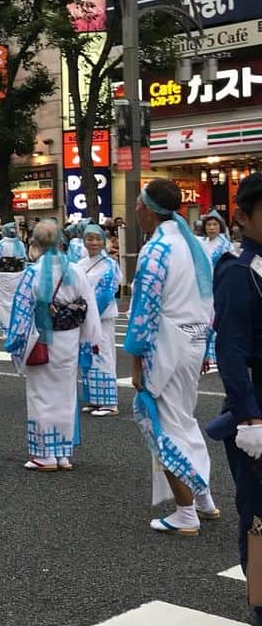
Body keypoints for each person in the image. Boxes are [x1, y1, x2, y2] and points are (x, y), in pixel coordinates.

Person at [125, 179, 219, 535]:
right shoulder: (194, 245)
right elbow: (209, 303)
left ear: (148, 208)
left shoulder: (156, 250)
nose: (135, 209)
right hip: (193, 342)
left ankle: (185, 511)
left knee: (159, 425)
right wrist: (207, 346)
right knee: (183, 420)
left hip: (165, 346)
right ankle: (204, 499)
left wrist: (135, 358)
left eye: (137, 203)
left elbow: (144, 310)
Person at [5, 219, 102, 472]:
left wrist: (15, 344)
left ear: (35, 244)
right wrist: (91, 340)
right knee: (66, 395)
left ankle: (44, 454)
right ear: (61, 241)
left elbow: (21, 314)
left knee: (41, 396)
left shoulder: (33, 273)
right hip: (69, 339)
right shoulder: (76, 270)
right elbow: (89, 307)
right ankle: (63, 453)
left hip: (43, 339)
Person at [213, 172, 262, 626]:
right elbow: (230, 349)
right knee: (259, 507)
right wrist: (248, 418)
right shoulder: (237, 268)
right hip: (256, 404)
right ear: (242, 216)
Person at [79, 224, 122, 418]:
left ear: (104, 241)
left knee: (103, 356)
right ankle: (94, 399)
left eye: (97, 239)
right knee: (89, 358)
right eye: (89, 238)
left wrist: (91, 311)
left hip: (102, 318)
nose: (93, 243)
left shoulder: (110, 264)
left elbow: (108, 291)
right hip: (85, 318)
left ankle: (109, 402)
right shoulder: (80, 264)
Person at [199, 210, 231, 371]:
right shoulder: (201, 243)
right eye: (209, 224)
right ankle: (204, 354)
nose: (212, 228)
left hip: (219, 286)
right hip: (204, 288)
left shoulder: (225, 245)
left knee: (216, 320)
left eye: (215, 224)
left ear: (220, 227)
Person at [0, 222, 27, 335]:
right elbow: (24, 260)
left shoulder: (2, 244)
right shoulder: (20, 244)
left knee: (4, 303)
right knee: (17, 302)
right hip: (19, 275)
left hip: (4, 276)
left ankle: (6, 329)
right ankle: (18, 327)